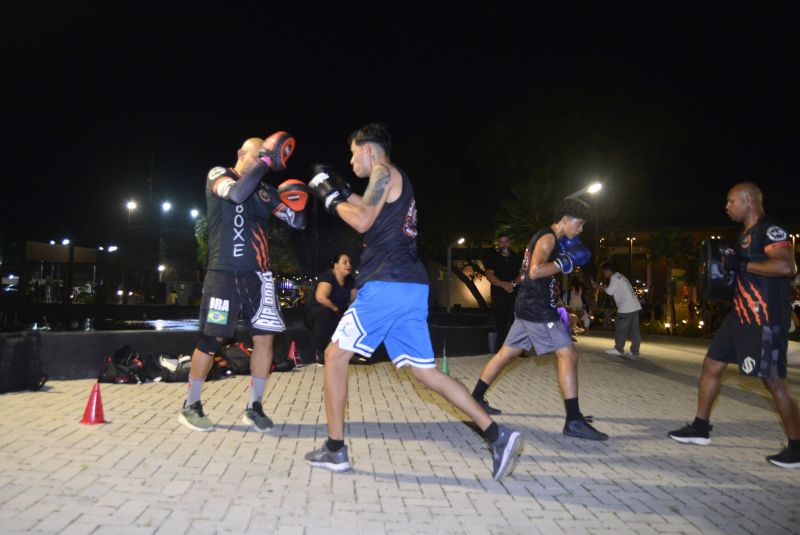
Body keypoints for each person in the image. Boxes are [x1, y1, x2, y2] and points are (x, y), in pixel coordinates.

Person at [305, 123, 523, 480]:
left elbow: (360, 221)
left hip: (387, 285)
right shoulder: (394, 181)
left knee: (333, 355)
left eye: (353, 152)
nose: (350, 159)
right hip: (410, 287)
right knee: (425, 372)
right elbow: (367, 211)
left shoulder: (382, 172)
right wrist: (342, 192)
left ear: (369, 151)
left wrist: (331, 200)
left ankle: (335, 449)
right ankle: (498, 436)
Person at [178, 132, 309, 432]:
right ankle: (191, 405)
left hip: (259, 279)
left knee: (265, 340)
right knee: (213, 339)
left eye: (266, 154)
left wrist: (301, 199)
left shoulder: (265, 190)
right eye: (258, 154)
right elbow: (236, 194)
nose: (265, 159)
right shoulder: (219, 174)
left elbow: (297, 222)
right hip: (223, 276)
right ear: (240, 152)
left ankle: (254, 407)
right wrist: (266, 158)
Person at [668, 182, 800, 468]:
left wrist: (742, 266)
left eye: (731, 202)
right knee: (711, 364)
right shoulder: (744, 235)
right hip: (739, 315)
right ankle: (700, 428)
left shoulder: (770, 230)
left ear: (749, 200)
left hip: (764, 318)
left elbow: (786, 267)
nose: (727, 207)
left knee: (774, 382)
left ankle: (797, 446)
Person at [469, 198, 609, 441]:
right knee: (568, 354)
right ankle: (573, 421)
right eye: (579, 223)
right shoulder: (548, 238)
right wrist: (564, 262)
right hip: (538, 309)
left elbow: (529, 273)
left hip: (527, 305)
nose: (581, 229)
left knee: (506, 353)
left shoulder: (551, 238)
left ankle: (475, 399)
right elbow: (534, 271)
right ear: (565, 219)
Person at [303, 253, 356, 366]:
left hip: (337, 314)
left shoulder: (350, 280)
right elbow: (321, 298)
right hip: (316, 313)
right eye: (345, 262)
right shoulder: (327, 277)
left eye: (350, 263)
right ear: (336, 265)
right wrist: (337, 310)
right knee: (326, 313)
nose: (349, 265)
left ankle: (348, 353)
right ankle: (320, 354)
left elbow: (353, 299)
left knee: (353, 317)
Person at [484, 233, 523, 351]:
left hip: (514, 294)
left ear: (509, 242)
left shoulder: (517, 257)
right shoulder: (492, 257)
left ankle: (516, 350)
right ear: (498, 243)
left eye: (505, 241)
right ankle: (500, 350)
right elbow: (489, 274)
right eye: (501, 242)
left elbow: (523, 274)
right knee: (500, 322)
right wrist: (502, 284)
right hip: (498, 295)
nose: (503, 244)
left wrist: (513, 284)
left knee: (515, 322)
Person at [596, 262, 642, 358]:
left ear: (608, 271)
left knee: (621, 329)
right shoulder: (621, 277)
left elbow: (609, 292)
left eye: (604, 272)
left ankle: (618, 349)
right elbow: (613, 289)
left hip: (626, 308)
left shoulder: (614, 278)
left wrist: (598, 287)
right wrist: (604, 288)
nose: (604, 274)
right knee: (634, 330)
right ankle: (634, 351)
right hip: (635, 306)